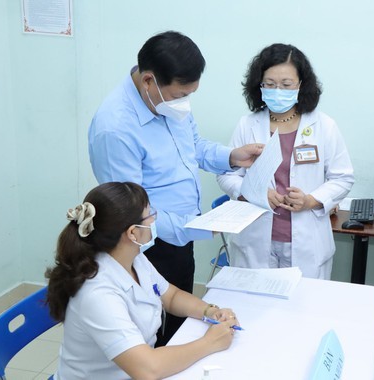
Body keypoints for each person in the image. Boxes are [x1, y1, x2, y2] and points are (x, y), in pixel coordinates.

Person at [88, 31, 262, 345]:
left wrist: (230, 156)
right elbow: (129, 213)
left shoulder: (169, 102)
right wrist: (198, 227)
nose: (185, 101)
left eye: (189, 93)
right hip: (145, 246)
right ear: (148, 81)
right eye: (180, 93)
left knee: (179, 325)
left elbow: (193, 146)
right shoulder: (115, 128)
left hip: (181, 236)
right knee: (150, 334)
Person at [46, 182, 239, 379]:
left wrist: (210, 311)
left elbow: (170, 296)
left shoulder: (133, 258)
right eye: (150, 215)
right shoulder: (98, 294)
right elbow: (147, 369)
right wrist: (210, 342)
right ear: (132, 233)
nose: (154, 219)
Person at [217, 43, 354, 279]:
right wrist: (251, 192)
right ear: (259, 85)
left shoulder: (323, 126)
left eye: (286, 84)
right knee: (255, 308)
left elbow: (342, 177)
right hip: (255, 237)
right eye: (269, 84)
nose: (277, 90)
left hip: (306, 240)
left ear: (301, 84)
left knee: (303, 310)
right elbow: (227, 174)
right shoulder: (247, 125)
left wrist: (312, 200)